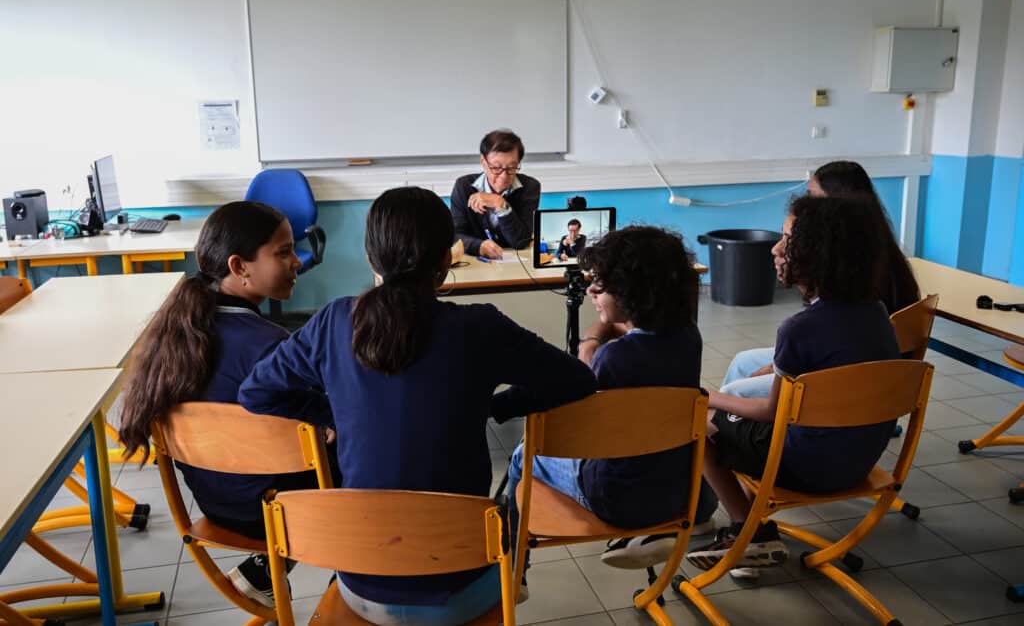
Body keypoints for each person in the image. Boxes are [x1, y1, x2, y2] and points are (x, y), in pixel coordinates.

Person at [238, 186, 596, 625]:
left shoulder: (334, 321)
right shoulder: (480, 326)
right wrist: (498, 406)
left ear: (371, 260)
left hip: (362, 590)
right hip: (460, 591)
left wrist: (334, 415)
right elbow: (577, 380)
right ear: (446, 261)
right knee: (505, 526)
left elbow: (256, 392)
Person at [117, 201, 335, 608]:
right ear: (239, 266)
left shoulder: (175, 333)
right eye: (283, 252)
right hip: (280, 511)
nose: (295, 264)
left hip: (218, 503)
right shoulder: (270, 345)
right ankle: (358, 584)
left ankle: (265, 571)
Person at [685, 195, 900, 572]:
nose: (776, 248)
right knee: (732, 411)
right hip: (859, 461)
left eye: (788, 239)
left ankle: (747, 529)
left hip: (807, 467)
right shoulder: (876, 312)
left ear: (820, 254)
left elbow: (771, 411)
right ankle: (752, 519)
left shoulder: (800, 328)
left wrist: (708, 397)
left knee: (699, 424)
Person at [504, 226, 719, 580]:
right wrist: (601, 331)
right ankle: (666, 526)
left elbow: (580, 418)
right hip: (675, 490)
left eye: (600, 285)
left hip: (613, 498)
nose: (590, 290)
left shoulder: (614, 359)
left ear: (630, 293)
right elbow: (637, 338)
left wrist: (587, 347)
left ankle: (516, 570)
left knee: (522, 455)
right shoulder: (687, 337)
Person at [719, 160, 920, 399]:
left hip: (843, 375)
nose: (808, 204)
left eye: (813, 196)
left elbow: (835, 341)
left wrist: (777, 368)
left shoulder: (858, 266)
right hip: (853, 362)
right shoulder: (869, 248)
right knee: (743, 363)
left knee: (730, 395)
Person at [450, 129, 541, 259]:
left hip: (516, 266)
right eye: (496, 168)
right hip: (475, 263)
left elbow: (521, 241)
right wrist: (478, 246)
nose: (504, 176)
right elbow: (455, 236)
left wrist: (500, 203)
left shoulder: (529, 187)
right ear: (483, 162)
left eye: (511, 168)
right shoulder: (464, 186)